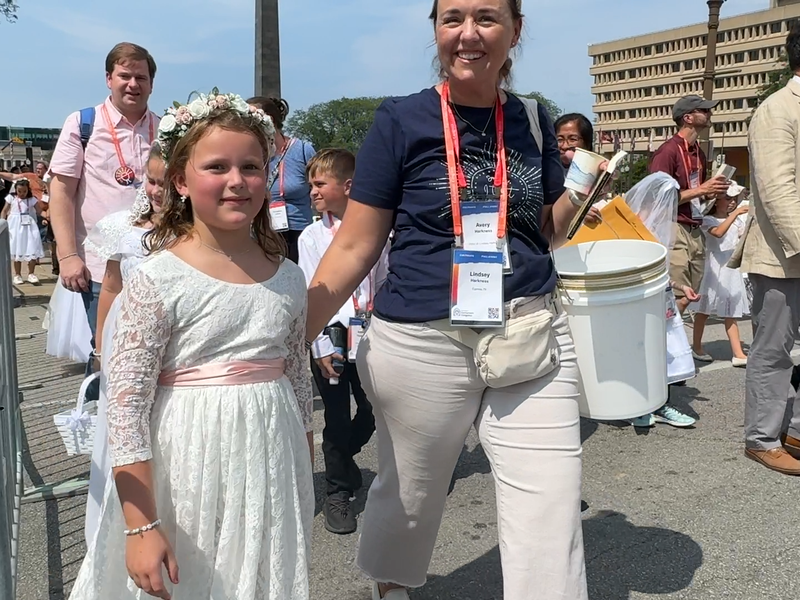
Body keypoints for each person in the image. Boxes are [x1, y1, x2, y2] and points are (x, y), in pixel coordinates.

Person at [305, 1, 591, 598]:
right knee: (411, 489)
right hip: (422, 337)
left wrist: (586, 188)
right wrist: (293, 336)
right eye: (452, 18)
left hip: (528, 328)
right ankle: (390, 582)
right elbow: (356, 243)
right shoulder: (400, 120)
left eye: (486, 18)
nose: (468, 34)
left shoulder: (535, 121)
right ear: (435, 31)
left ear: (515, 30)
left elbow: (545, 230)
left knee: (551, 497)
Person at [67, 91, 314, 600]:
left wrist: (300, 470)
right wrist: (140, 526)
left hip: (271, 458)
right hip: (187, 461)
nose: (236, 180)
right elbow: (127, 406)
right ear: (180, 180)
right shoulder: (159, 279)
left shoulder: (289, 278)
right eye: (216, 166)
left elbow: (297, 378)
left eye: (250, 166)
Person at [49, 42, 160, 400]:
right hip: (101, 269)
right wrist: (67, 256)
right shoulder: (84, 123)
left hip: (156, 265)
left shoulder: (165, 129)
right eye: (124, 75)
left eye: (140, 77)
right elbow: (61, 192)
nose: (132, 84)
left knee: (154, 356)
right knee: (107, 353)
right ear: (109, 78)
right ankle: (102, 441)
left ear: (151, 83)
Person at [81, 144, 165, 546]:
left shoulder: (196, 232)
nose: (157, 191)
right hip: (126, 347)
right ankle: (123, 525)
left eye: (166, 183)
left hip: (170, 352)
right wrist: (101, 349)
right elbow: (111, 288)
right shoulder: (125, 229)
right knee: (127, 428)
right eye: (151, 180)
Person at [298, 149, 384, 535]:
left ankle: (345, 458)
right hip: (331, 339)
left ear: (348, 186)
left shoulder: (380, 229)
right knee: (334, 417)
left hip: (372, 335)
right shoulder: (312, 236)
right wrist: (318, 344)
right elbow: (312, 288)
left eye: (320, 184)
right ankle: (338, 491)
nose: (312, 191)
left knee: (373, 410)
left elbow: (383, 279)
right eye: (311, 183)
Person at [730, 25, 800, 476]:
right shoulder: (777, 110)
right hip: (782, 256)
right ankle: (762, 437)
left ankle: (792, 429)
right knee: (774, 351)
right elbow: (777, 191)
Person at [649, 95, 730, 316]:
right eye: (704, 110)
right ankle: (668, 346)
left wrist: (712, 192)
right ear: (688, 118)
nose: (709, 113)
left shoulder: (698, 153)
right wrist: (702, 190)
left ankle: (675, 345)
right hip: (674, 227)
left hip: (695, 227)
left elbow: (696, 195)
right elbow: (657, 199)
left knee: (691, 294)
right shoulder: (668, 151)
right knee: (677, 296)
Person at [246, 96, 315, 263]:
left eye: (249, 117)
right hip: (263, 234)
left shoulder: (303, 151)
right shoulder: (252, 155)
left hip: (299, 235)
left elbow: (323, 188)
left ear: (268, 120)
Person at [692, 191, 750, 367]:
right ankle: (696, 346)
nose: (732, 202)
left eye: (734, 199)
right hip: (714, 268)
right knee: (703, 311)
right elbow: (718, 233)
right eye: (727, 199)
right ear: (716, 202)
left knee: (730, 310)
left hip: (731, 267)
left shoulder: (737, 221)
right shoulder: (708, 220)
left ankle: (738, 353)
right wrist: (735, 215)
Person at [2, 178, 45, 284]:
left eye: (24, 191)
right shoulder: (11, 198)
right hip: (15, 226)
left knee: (32, 246)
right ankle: (17, 274)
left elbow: (39, 211)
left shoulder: (31, 199)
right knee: (18, 248)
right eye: (19, 191)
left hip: (29, 226)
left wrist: (45, 218)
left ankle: (31, 273)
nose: (22, 193)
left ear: (28, 190)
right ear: (15, 189)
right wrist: (3, 222)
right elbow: (4, 211)